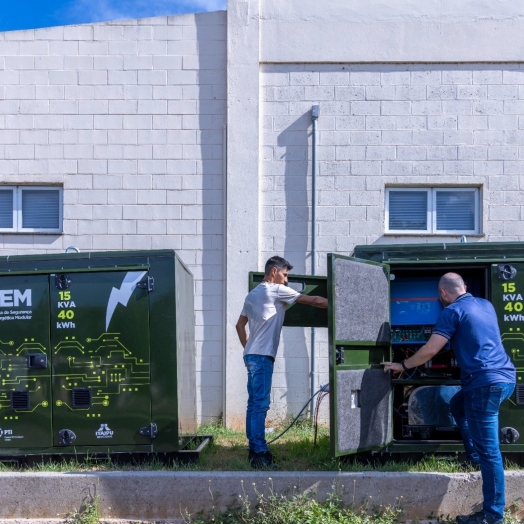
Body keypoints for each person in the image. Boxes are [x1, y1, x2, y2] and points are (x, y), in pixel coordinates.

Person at [382, 272, 516, 524]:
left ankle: (492, 516)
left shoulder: (451, 312)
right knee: (457, 406)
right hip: (505, 378)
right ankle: (473, 456)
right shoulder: (485, 305)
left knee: (491, 453)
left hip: (484, 385)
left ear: (443, 294)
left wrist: (402, 364)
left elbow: (431, 349)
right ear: (464, 287)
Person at [236, 255, 328, 469]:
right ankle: (259, 453)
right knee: (260, 405)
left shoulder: (252, 294)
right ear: (274, 272)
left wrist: (249, 348)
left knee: (253, 404)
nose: (286, 280)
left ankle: (253, 448)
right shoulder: (274, 290)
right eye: (285, 275)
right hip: (261, 356)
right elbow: (313, 301)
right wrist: (341, 303)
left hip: (251, 355)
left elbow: (239, 326)